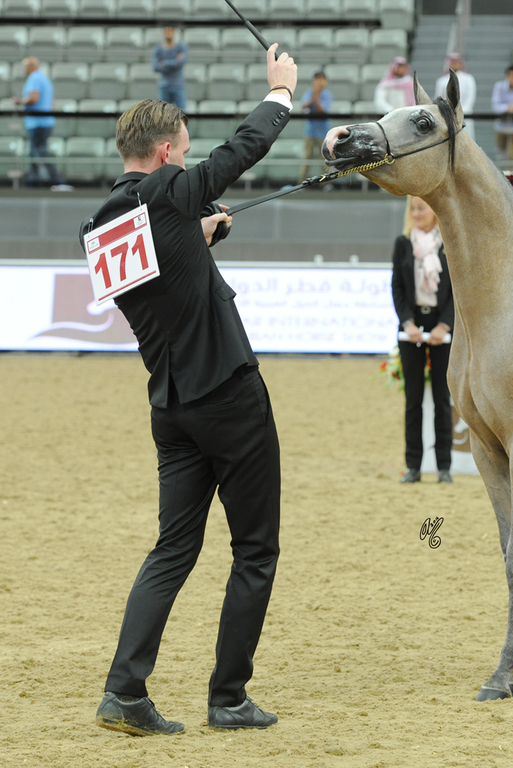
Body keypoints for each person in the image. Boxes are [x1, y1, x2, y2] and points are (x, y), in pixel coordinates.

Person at [82, 42, 297, 736]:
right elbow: (241, 151)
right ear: (169, 150)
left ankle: (125, 690)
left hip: (170, 404)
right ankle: (228, 698)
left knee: (172, 549)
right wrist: (281, 92)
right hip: (228, 394)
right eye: (185, 151)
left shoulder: (100, 224)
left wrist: (196, 237)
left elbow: (158, 287)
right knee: (255, 549)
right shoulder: (171, 188)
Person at [391, 196, 454, 484]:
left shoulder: (449, 243)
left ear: (434, 210)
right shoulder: (403, 243)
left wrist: (444, 325)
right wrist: (407, 322)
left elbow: (457, 289)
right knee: (412, 400)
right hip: (411, 328)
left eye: (422, 208)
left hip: (441, 328)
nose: (416, 213)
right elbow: (398, 287)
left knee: (442, 398)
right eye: (413, 209)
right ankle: (413, 466)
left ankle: (444, 467)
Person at [14, 57, 71, 191]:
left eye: (24, 67)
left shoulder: (34, 78)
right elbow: (52, 102)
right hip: (45, 121)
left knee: (39, 152)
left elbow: (33, 98)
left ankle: (56, 181)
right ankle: (33, 182)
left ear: (30, 67)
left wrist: (19, 102)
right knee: (34, 153)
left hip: (37, 122)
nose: (23, 70)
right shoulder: (45, 79)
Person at [297, 70, 332, 183]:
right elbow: (303, 106)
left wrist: (317, 97)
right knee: (306, 158)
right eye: (317, 79)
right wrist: (314, 96)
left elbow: (322, 110)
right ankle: (302, 182)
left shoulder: (327, 95)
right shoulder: (309, 92)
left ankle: (326, 184)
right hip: (310, 131)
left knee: (324, 159)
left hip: (323, 132)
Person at [434, 53, 476, 141]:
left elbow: (470, 97)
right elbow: (439, 99)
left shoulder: (468, 79)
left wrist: (461, 111)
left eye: (457, 62)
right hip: (448, 114)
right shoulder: (441, 81)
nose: (455, 65)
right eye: (453, 62)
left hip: (465, 114)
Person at [152, 25, 187, 109]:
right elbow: (155, 67)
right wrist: (174, 62)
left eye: (170, 31)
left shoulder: (181, 47)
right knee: (161, 114)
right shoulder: (158, 49)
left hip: (178, 85)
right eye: (166, 31)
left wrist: (164, 63)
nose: (168, 34)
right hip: (164, 85)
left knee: (182, 113)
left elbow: (180, 63)